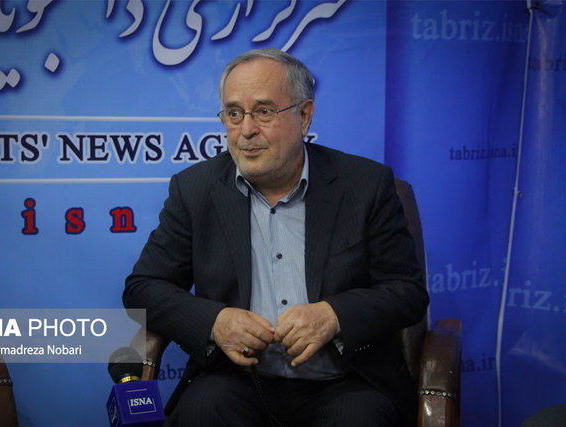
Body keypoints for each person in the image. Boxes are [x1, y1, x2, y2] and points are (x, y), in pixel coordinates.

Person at [124, 48, 429, 426]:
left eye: (264, 111)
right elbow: (143, 288)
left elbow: (407, 293)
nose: (246, 130)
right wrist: (215, 321)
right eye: (234, 114)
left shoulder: (365, 185)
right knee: (201, 412)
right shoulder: (195, 189)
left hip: (345, 380)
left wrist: (333, 316)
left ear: (304, 115)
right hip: (235, 378)